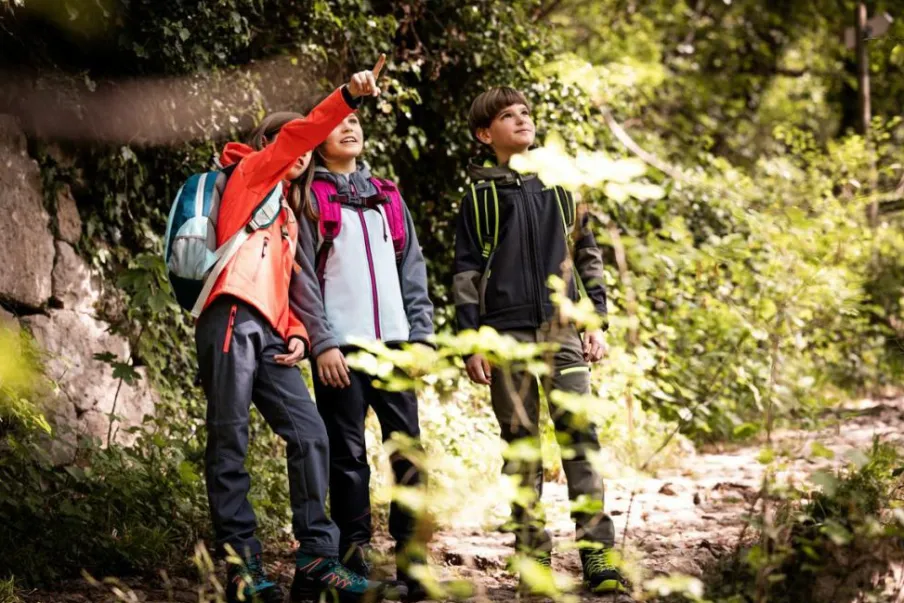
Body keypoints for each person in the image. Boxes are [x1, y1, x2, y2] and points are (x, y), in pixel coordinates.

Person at [194, 57, 392, 603]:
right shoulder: (250, 176)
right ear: (268, 144)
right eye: (290, 142)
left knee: (311, 434)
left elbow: (285, 288)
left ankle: (317, 561)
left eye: (304, 147)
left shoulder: (285, 214)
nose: (301, 152)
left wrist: (300, 333)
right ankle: (243, 570)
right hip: (230, 319)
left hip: (271, 336)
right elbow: (300, 134)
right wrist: (347, 96)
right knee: (230, 440)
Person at [451, 86, 627, 594]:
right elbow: (466, 271)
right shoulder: (479, 196)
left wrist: (594, 318)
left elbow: (587, 252)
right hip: (504, 336)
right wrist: (472, 339)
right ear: (485, 134)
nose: (521, 119)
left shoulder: (561, 185)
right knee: (521, 449)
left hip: (562, 329)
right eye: (508, 115)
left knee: (580, 439)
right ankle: (533, 560)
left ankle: (597, 554)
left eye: (525, 112)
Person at [290, 90, 435, 602]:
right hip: (341, 351)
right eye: (338, 123)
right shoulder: (309, 199)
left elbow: (412, 269)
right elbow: (302, 278)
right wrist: (322, 342)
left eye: (354, 121)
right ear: (317, 138)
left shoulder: (387, 195)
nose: (349, 127)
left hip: (394, 345)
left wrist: (421, 336)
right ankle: (354, 559)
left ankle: (413, 561)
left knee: (408, 451)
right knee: (347, 456)